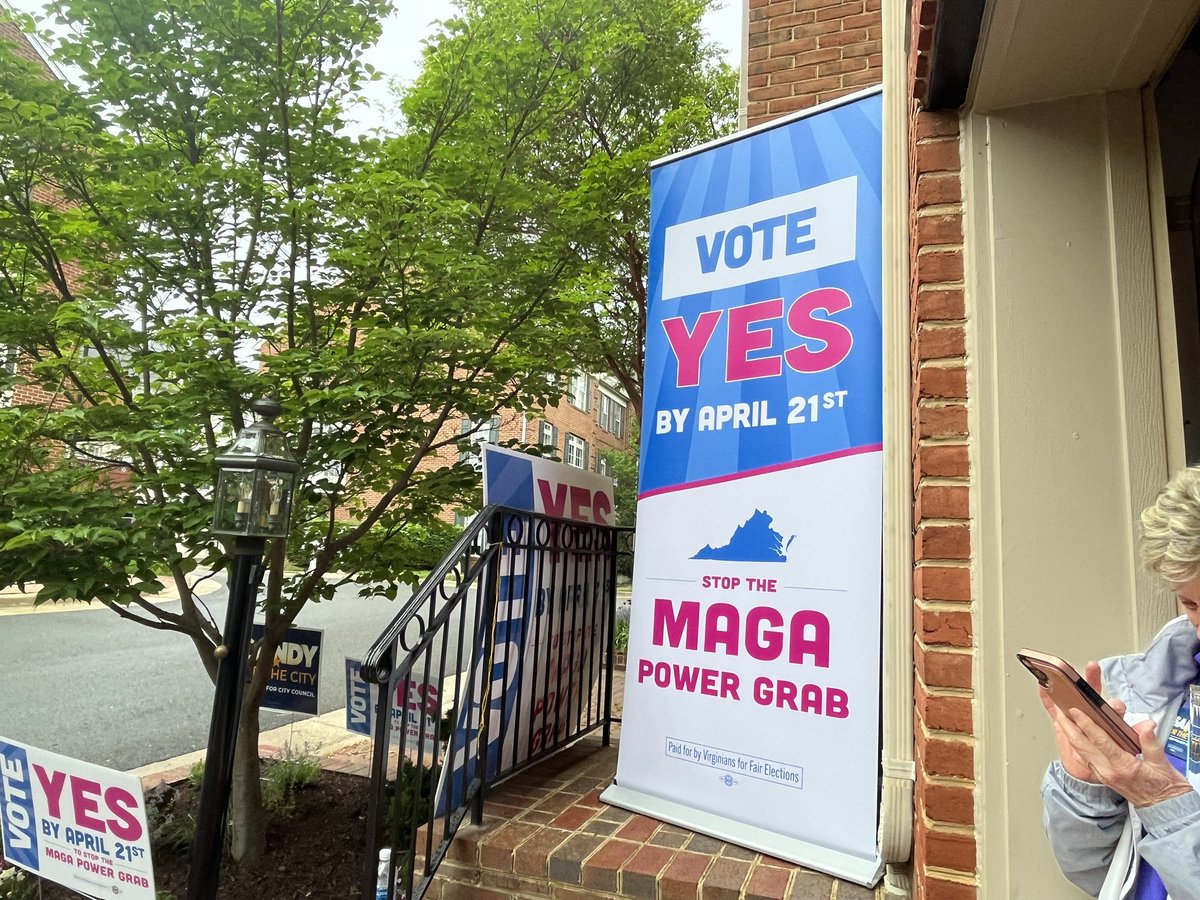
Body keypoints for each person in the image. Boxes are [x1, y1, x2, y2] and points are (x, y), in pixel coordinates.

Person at [1041, 465, 1200, 899]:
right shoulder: (1167, 685)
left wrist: (1164, 802)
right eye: (1191, 604)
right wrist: (1086, 789)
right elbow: (1098, 872)